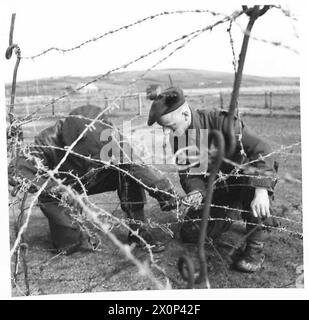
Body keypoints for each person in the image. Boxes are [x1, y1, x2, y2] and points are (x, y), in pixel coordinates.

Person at [8, 104, 177, 254]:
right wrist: (54, 187)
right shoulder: (46, 142)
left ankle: (139, 230)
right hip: (63, 187)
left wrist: (161, 187)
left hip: (97, 178)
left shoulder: (108, 133)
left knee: (126, 170)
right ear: (70, 145)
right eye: (91, 156)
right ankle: (69, 232)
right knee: (68, 245)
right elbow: (18, 169)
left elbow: (134, 164)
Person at [147, 86, 278, 272]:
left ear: (185, 115)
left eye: (170, 126)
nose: (168, 133)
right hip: (219, 188)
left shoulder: (221, 121)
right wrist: (195, 191)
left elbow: (262, 149)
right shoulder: (178, 137)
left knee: (254, 191)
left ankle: (255, 248)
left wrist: (262, 190)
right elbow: (190, 172)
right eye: (164, 128)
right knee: (190, 232)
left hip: (247, 180)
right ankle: (232, 209)